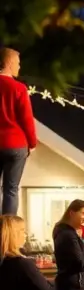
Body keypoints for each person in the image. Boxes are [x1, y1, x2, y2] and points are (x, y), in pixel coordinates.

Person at [0, 47, 36, 216]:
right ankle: (8, 227)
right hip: (15, 144)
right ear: (8, 63)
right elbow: (26, 119)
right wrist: (32, 143)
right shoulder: (18, 88)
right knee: (11, 189)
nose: (19, 67)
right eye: (18, 63)